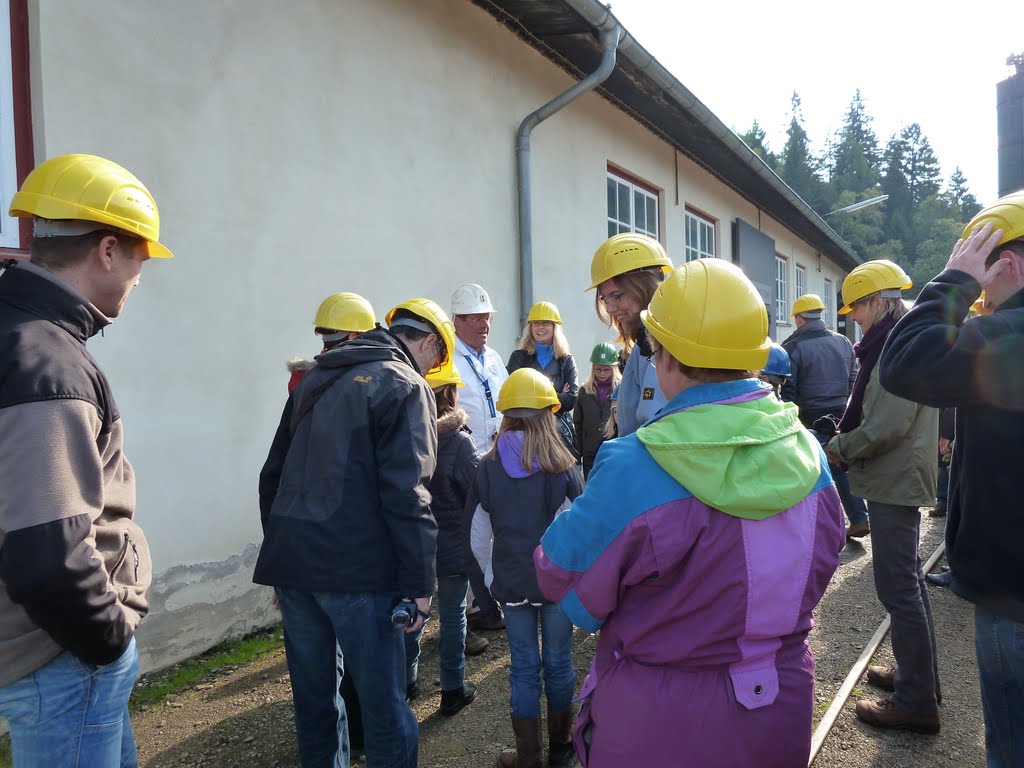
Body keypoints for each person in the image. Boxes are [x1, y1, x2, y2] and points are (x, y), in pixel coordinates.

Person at [535, 259, 845, 768]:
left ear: (668, 358)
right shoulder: (809, 456)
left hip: (655, 723)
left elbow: (558, 571)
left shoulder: (633, 464)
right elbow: (825, 557)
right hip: (775, 703)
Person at [0, 153, 172, 767]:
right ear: (106, 250)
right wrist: (108, 641)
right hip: (61, 659)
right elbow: (48, 555)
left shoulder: (17, 330)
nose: (140, 274)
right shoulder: (47, 363)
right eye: (139, 256)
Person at [255, 298, 455, 768]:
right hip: (360, 575)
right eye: (438, 360)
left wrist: (283, 557)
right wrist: (420, 587)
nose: (433, 372)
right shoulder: (405, 385)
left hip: (296, 567)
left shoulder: (316, 378)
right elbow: (409, 494)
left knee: (315, 703)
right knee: (384, 706)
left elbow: (273, 476)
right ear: (428, 342)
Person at [879, 197, 1024, 766]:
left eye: (981, 261)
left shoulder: (1012, 334)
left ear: (1006, 262)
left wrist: (955, 280)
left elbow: (908, 361)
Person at [823, 259, 940, 734]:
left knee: (898, 587)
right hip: (898, 475)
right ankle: (920, 680)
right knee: (908, 580)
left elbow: (887, 425)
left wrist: (839, 447)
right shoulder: (898, 340)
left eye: (857, 307)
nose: (853, 317)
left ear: (878, 302)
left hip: (896, 477)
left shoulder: (894, 345)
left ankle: (917, 701)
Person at [469, 368, 584, 768]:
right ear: (548, 415)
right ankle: (562, 751)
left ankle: (528, 757)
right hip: (555, 586)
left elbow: (477, 536)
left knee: (522, 667)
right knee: (558, 661)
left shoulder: (487, 467)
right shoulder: (564, 467)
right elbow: (575, 535)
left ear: (505, 416)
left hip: (512, 584)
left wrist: (488, 582)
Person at [404, 362, 484, 716]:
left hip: (415, 545)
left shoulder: (408, 435)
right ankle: (453, 689)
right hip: (453, 546)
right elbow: (477, 490)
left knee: (412, 616)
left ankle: (406, 683)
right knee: (453, 618)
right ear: (452, 394)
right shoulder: (459, 442)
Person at [450, 282, 508, 633]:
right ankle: (476, 606)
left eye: (487, 318)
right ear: (457, 320)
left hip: (498, 456)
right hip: (465, 458)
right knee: (472, 531)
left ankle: (493, 594)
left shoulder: (494, 358)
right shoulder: (448, 359)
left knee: (495, 530)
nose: (484, 325)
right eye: (475, 318)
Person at [588, 233, 673, 436]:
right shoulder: (643, 344)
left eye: (617, 296)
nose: (609, 308)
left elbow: (655, 425)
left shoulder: (661, 344)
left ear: (645, 287)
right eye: (605, 299)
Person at [507, 301, 580, 459]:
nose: (540, 328)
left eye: (546, 323)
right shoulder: (519, 357)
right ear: (530, 328)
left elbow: (572, 399)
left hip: (559, 434)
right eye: (536, 323)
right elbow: (514, 396)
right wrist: (557, 394)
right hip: (526, 432)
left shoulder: (566, 360)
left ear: (555, 327)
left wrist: (533, 395)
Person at [287, 292, 376, 393]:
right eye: (323, 331)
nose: (325, 337)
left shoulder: (305, 378)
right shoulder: (378, 374)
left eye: (328, 332)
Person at [573, 342, 621, 479]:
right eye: (598, 369)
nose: (602, 373)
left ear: (614, 368)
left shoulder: (621, 389)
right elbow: (578, 424)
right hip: (590, 452)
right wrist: (578, 455)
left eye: (607, 370)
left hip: (613, 449)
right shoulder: (584, 391)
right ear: (593, 368)